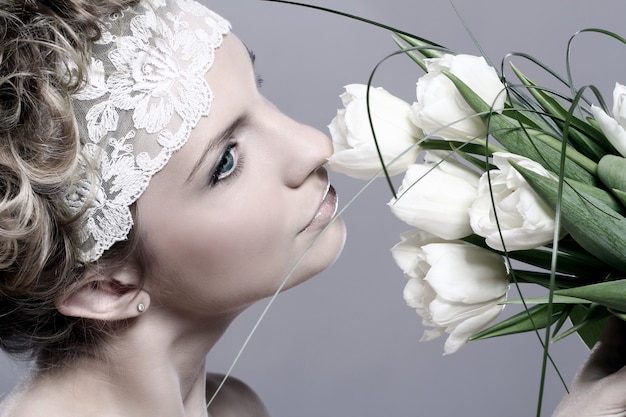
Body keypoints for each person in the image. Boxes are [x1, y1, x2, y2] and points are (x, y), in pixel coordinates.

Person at [0, 0, 623, 416]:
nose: (313, 145)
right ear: (106, 285)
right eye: (226, 162)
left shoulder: (230, 406)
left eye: (259, 91)